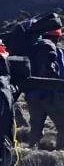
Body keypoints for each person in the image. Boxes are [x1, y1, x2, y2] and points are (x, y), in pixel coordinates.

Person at [22, 15, 64, 150]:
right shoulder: (56, 52)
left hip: (33, 95)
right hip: (51, 95)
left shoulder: (32, 49)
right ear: (57, 37)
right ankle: (60, 154)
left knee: (35, 128)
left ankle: (32, 154)